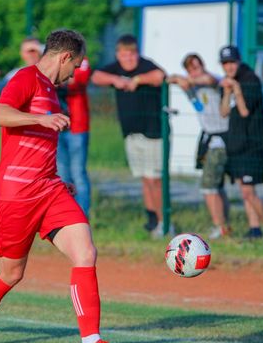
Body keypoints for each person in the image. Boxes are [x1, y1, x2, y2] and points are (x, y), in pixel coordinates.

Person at [0, 29, 132, 343]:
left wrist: (59, 180)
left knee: (85, 252)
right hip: (15, 194)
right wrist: (41, 117)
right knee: (11, 273)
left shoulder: (52, 90)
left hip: (49, 189)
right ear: (65, 57)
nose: (75, 73)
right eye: (75, 65)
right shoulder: (27, 78)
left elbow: (37, 145)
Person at [91, 34, 169, 237]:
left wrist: (137, 80)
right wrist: (115, 80)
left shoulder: (145, 66)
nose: (128, 59)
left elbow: (160, 76)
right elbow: (96, 76)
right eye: (124, 55)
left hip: (152, 132)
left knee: (155, 180)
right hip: (131, 133)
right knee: (145, 179)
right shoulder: (116, 69)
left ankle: (164, 222)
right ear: (118, 55)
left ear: (137, 53)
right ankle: (152, 220)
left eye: (131, 54)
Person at [219, 45, 263, 240]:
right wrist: (227, 91)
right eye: (225, 63)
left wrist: (236, 89)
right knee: (245, 191)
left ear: (238, 61)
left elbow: (245, 111)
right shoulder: (229, 81)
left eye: (232, 62)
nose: (229, 67)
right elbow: (224, 112)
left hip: (251, 144)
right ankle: (254, 229)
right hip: (236, 143)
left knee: (248, 192)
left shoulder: (250, 80)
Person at [168, 53, 231, 239]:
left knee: (208, 185)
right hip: (209, 140)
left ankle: (220, 226)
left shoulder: (213, 80)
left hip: (221, 140)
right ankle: (224, 226)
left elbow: (210, 79)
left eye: (197, 67)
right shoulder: (191, 85)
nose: (195, 72)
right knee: (217, 185)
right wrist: (179, 79)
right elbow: (170, 79)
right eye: (190, 69)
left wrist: (187, 80)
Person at [56, 57, 92, 216]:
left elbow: (78, 80)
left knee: (78, 173)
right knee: (62, 174)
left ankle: (82, 215)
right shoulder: (55, 59)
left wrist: (56, 79)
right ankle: (68, 216)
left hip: (77, 126)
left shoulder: (81, 59)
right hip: (56, 127)